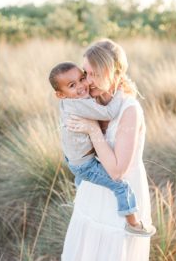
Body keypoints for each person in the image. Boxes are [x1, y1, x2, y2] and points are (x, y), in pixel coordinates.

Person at [58, 39, 155, 261]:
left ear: (115, 73)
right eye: (85, 73)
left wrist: (92, 130)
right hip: (92, 193)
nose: (87, 81)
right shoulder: (91, 102)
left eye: (94, 74)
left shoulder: (129, 110)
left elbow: (117, 172)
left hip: (118, 199)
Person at [49, 62, 155, 237]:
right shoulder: (77, 104)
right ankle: (133, 223)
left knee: (83, 178)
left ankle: (80, 195)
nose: (82, 85)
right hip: (84, 163)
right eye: (72, 85)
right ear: (60, 94)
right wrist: (121, 90)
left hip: (74, 158)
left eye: (82, 78)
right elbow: (108, 113)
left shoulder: (71, 101)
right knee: (121, 187)